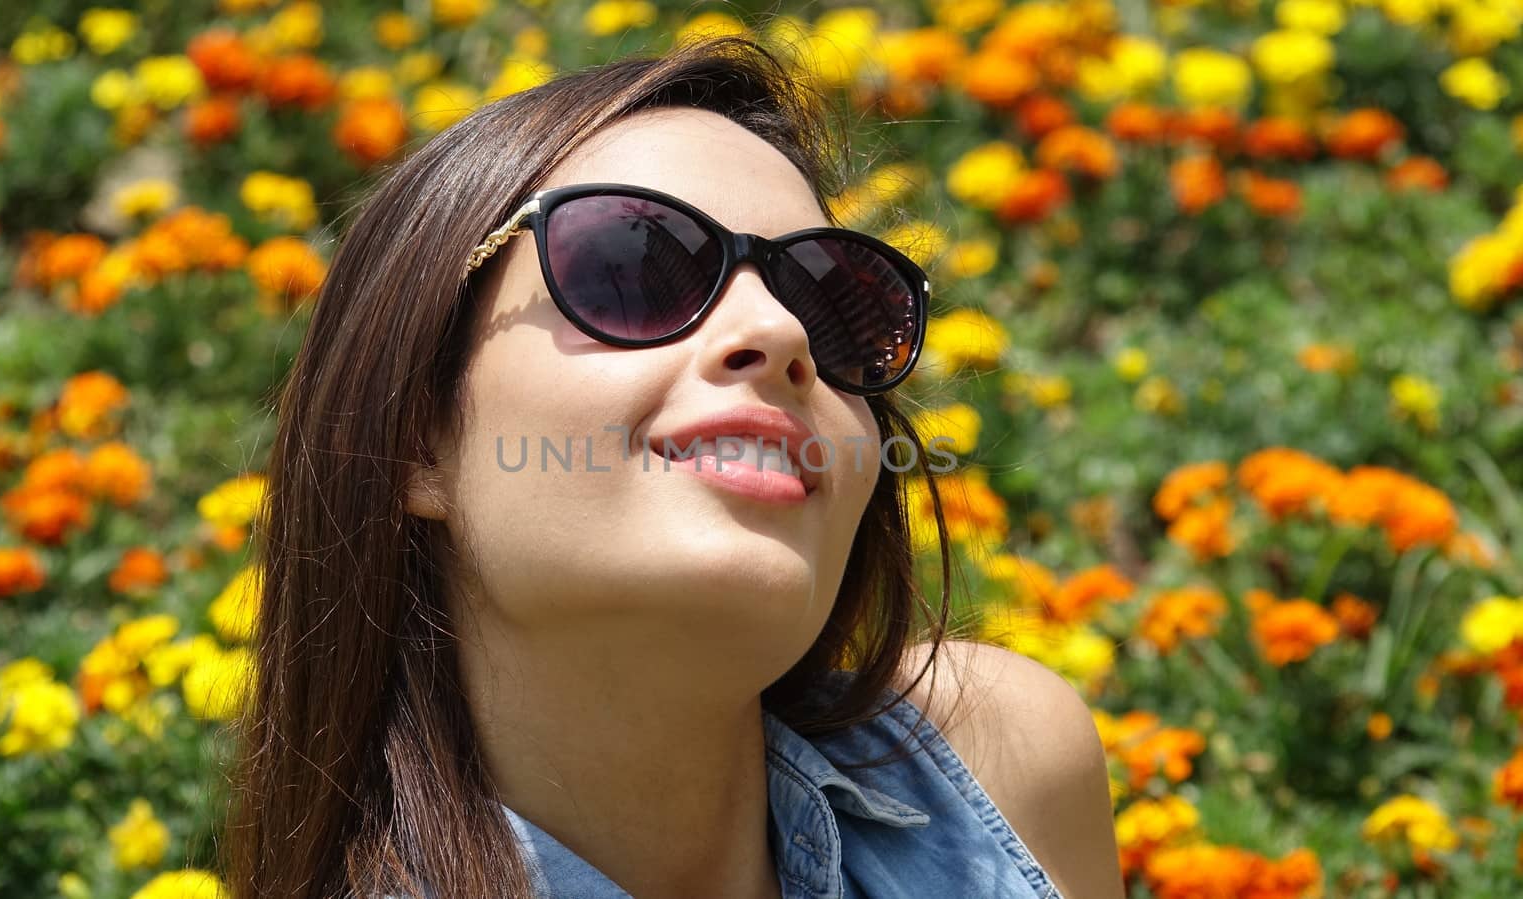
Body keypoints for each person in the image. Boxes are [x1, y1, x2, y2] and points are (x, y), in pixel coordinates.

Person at [221, 35, 1122, 899]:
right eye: (632, 265)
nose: (779, 330)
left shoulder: (1001, 763)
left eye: (830, 297)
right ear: (416, 436)